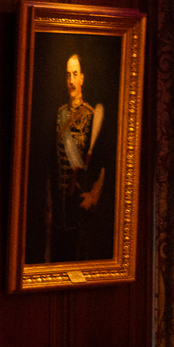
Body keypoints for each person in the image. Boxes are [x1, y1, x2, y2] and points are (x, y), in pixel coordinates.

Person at [44, 53, 114, 263]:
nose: (71, 80)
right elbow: (50, 166)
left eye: (75, 74)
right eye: (68, 75)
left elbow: (103, 166)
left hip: (81, 211)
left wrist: (94, 194)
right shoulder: (59, 115)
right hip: (59, 209)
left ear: (82, 78)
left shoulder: (91, 115)